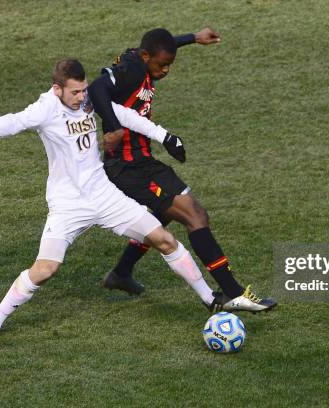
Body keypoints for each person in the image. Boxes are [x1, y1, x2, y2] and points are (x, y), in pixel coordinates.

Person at [0, 59, 225, 347]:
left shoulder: (86, 100)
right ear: (57, 89)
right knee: (45, 269)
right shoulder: (45, 108)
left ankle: (210, 299)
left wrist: (163, 135)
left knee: (164, 239)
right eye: (75, 92)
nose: (82, 98)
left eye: (84, 90)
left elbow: (121, 113)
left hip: (104, 194)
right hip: (68, 204)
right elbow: (13, 121)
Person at [88, 28, 276, 313]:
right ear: (145, 56)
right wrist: (114, 127)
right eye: (161, 65)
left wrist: (192, 38)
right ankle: (233, 293)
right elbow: (96, 88)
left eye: (169, 65)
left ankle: (121, 273)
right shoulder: (133, 70)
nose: (165, 71)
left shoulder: (142, 58)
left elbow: (160, 45)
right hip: (130, 167)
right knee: (195, 215)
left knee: (162, 215)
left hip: (140, 162)